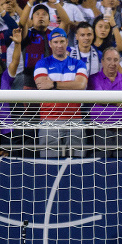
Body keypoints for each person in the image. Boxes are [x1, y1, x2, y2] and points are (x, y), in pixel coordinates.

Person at [34, 27, 88, 157]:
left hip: (75, 119)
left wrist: (54, 84)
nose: (59, 45)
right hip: (49, 120)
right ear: (50, 44)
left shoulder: (78, 63)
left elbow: (81, 84)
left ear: (67, 43)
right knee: (49, 166)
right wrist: (71, 85)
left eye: (62, 41)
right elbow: (42, 85)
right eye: (56, 42)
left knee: (77, 165)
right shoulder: (42, 63)